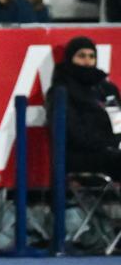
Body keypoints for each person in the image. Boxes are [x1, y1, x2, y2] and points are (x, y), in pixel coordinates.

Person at [47, 36, 121, 180]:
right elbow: (72, 132)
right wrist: (105, 144)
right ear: (70, 58)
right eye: (81, 56)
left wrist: (114, 143)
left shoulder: (107, 89)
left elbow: (118, 123)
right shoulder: (61, 90)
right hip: (79, 154)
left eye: (91, 56)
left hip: (110, 150)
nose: (87, 61)